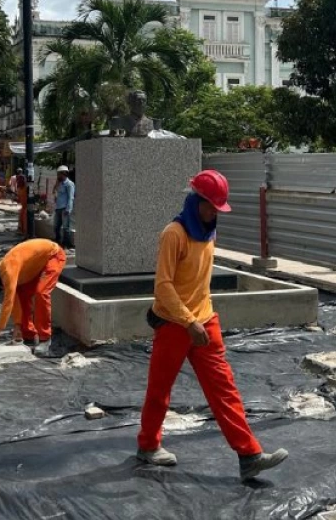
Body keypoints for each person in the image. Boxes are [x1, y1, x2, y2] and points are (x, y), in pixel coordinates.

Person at [136, 170, 288, 481]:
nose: (215, 213)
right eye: (211, 206)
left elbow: (199, 281)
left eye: (218, 208)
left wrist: (202, 317)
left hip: (205, 320)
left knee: (224, 390)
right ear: (196, 201)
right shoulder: (173, 234)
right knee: (159, 390)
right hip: (174, 324)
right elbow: (163, 286)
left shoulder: (209, 231)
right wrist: (189, 321)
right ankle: (148, 445)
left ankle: (249, 455)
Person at [0, 238, 67, 356]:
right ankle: (29, 336)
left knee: (41, 293)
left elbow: (9, 302)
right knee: (23, 294)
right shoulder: (3, 270)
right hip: (36, 263)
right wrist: (17, 326)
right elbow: (15, 300)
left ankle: (44, 339)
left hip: (54, 255)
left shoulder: (8, 270)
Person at [52, 165, 75, 248]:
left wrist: (68, 209)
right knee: (56, 226)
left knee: (65, 227)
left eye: (59, 174)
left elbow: (71, 197)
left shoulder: (69, 184)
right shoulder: (59, 183)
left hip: (65, 208)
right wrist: (56, 186)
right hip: (58, 208)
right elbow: (54, 192)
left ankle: (66, 244)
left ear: (64, 174)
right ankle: (57, 241)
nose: (58, 176)